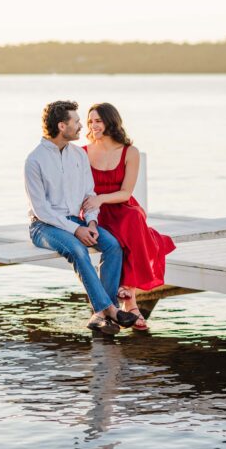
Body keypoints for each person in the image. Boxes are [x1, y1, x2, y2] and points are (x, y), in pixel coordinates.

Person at [24, 100, 140, 335]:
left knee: (113, 246)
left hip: (77, 221)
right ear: (61, 126)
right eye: (76, 122)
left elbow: (90, 195)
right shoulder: (34, 160)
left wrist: (92, 222)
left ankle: (99, 316)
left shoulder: (78, 155)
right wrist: (76, 230)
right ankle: (111, 310)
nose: (81, 126)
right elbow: (42, 210)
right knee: (78, 250)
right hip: (43, 226)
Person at [82, 102, 176, 331]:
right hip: (95, 212)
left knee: (133, 220)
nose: (94, 126)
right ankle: (130, 302)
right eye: (90, 121)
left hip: (120, 206)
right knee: (127, 237)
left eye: (99, 121)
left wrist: (101, 198)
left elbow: (126, 192)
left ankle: (129, 291)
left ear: (111, 122)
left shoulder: (129, 152)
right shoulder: (82, 152)